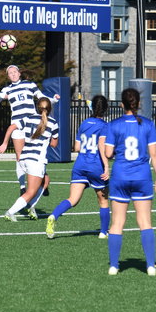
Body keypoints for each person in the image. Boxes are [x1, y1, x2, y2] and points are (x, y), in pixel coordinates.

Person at [104, 88, 156, 276]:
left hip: (120, 177)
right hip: (142, 177)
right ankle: (150, 266)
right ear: (138, 103)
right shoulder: (148, 124)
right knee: (145, 222)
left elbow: (108, 153)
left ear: (121, 104)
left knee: (117, 223)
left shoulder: (113, 125)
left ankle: (114, 265)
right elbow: (154, 154)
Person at [46, 94, 110, 239]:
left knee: (73, 199)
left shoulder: (84, 123)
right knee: (103, 201)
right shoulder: (105, 126)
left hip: (80, 165)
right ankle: (103, 232)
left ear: (92, 107)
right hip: (96, 166)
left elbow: (77, 147)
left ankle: (54, 215)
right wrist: (106, 166)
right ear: (105, 109)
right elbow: (102, 146)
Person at [0, 65, 60, 196]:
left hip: (32, 123)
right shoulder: (7, 89)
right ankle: (22, 187)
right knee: (20, 157)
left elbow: (42, 99)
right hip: (17, 125)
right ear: (8, 76)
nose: (13, 74)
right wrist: (0, 95)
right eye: (10, 73)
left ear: (19, 73)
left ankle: (42, 180)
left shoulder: (30, 84)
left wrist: (54, 99)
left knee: (37, 153)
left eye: (15, 72)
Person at [0, 97, 58, 221]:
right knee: (31, 192)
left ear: (37, 107)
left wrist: (5, 143)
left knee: (45, 181)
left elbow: (11, 127)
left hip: (24, 157)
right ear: (50, 109)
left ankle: (31, 206)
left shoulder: (28, 118)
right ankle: (10, 212)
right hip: (36, 160)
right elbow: (54, 144)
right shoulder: (53, 122)